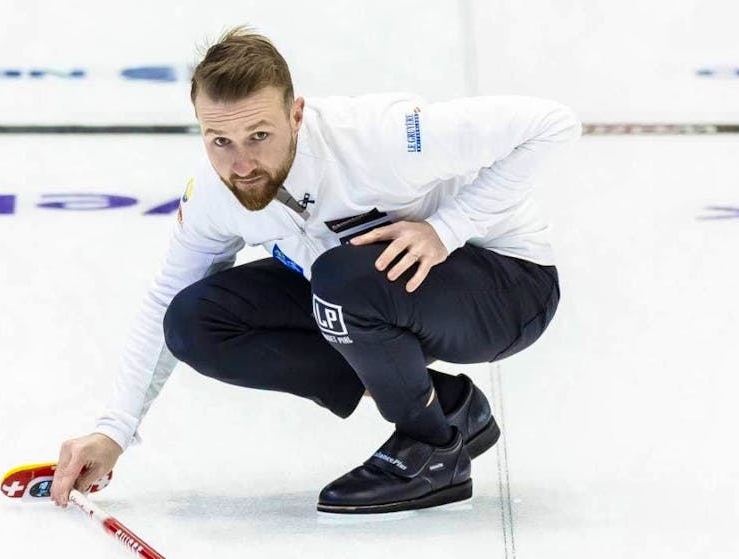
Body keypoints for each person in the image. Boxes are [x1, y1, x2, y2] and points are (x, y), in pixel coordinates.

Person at [51, 26, 579, 514]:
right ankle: (447, 407)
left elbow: (550, 125)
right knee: (194, 320)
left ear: (297, 114)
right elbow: (168, 295)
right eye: (219, 141)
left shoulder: (381, 138)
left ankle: (431, 449)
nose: (241, 164)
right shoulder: (217, 194)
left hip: (507, 287)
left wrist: (446, 228)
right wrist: (115, 430)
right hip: (372, 292)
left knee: (340, 279)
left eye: (259, 135)